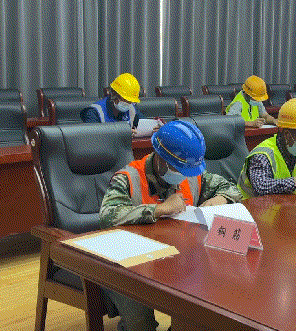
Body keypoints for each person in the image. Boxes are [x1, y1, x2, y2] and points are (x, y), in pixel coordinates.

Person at [100, 120, 242, 331]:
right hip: (128, 265)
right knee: (140, 323)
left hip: (177, 258)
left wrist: (220, 198)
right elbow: (107, 214)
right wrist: (159, 209)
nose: (183, 174)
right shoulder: (129, 177)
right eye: (178, 167)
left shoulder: (191, 174)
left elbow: (232, 188)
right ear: (160, 158)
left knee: (202, 309)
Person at [81, 73, 148, 135]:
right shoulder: (94, 112)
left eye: (130, 101)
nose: (127, 104)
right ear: (113, 94)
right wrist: (124, 133)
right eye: (124, 100)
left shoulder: (131, 108)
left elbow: (145, 125)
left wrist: (152, 129)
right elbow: (91, 139)